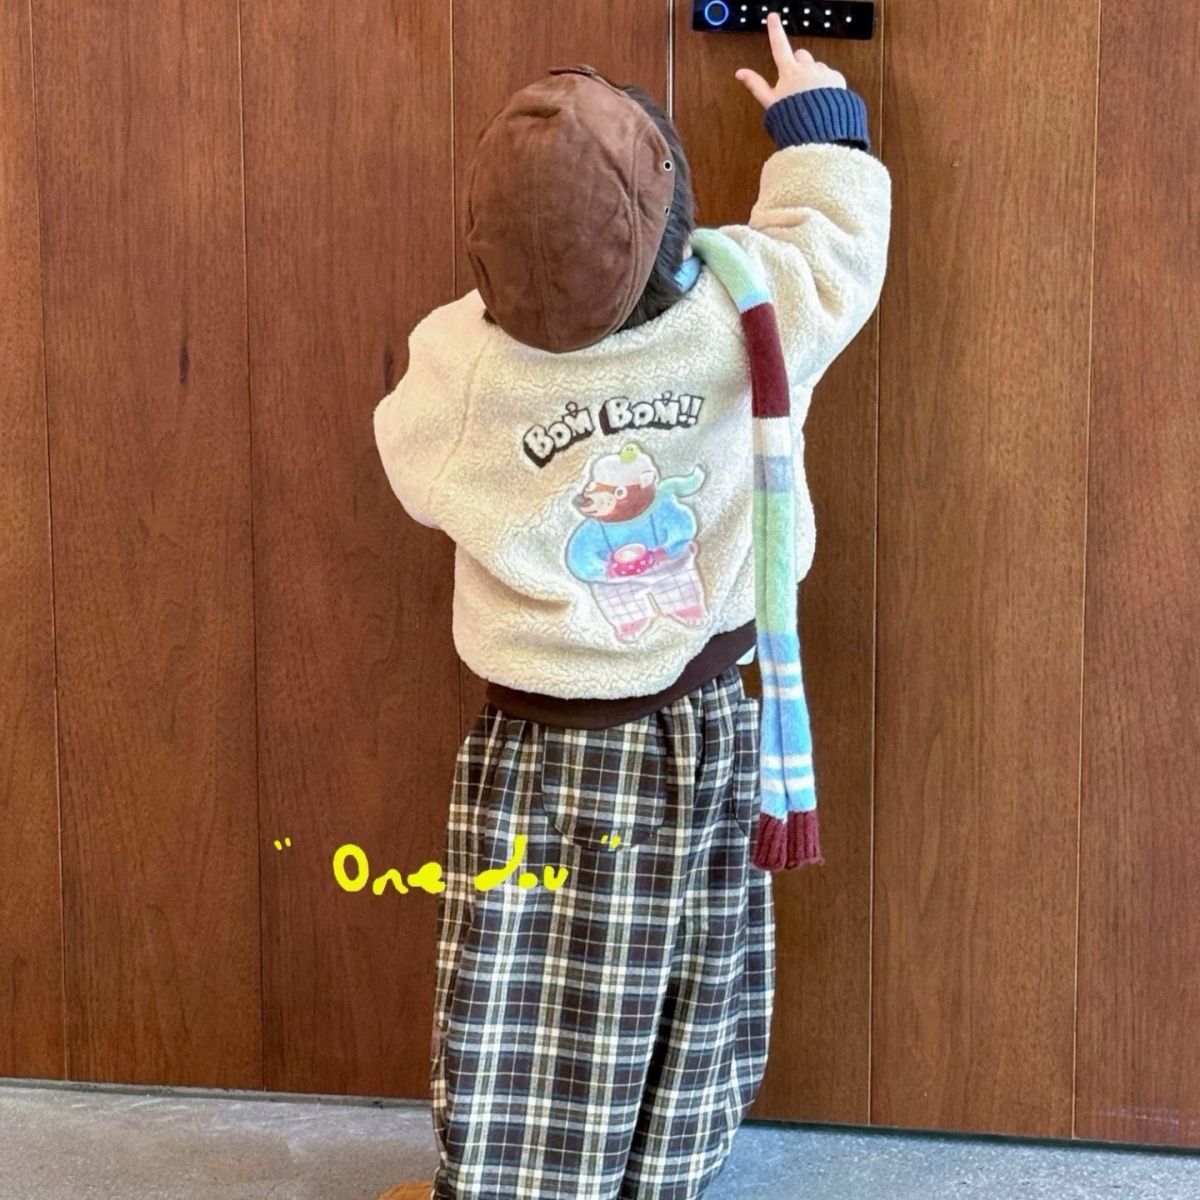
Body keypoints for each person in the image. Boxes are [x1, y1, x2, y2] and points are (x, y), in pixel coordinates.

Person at [372, 13, 891, 1199]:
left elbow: (409, 462)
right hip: (707, 724)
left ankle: (511, 1176)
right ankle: (664, 1171)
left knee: (525, 972)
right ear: (673, 223)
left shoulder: (460, 362)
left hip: (540, 744)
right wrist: (818, 125)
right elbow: (835, 251)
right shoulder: (746, 312)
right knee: (692, 955)